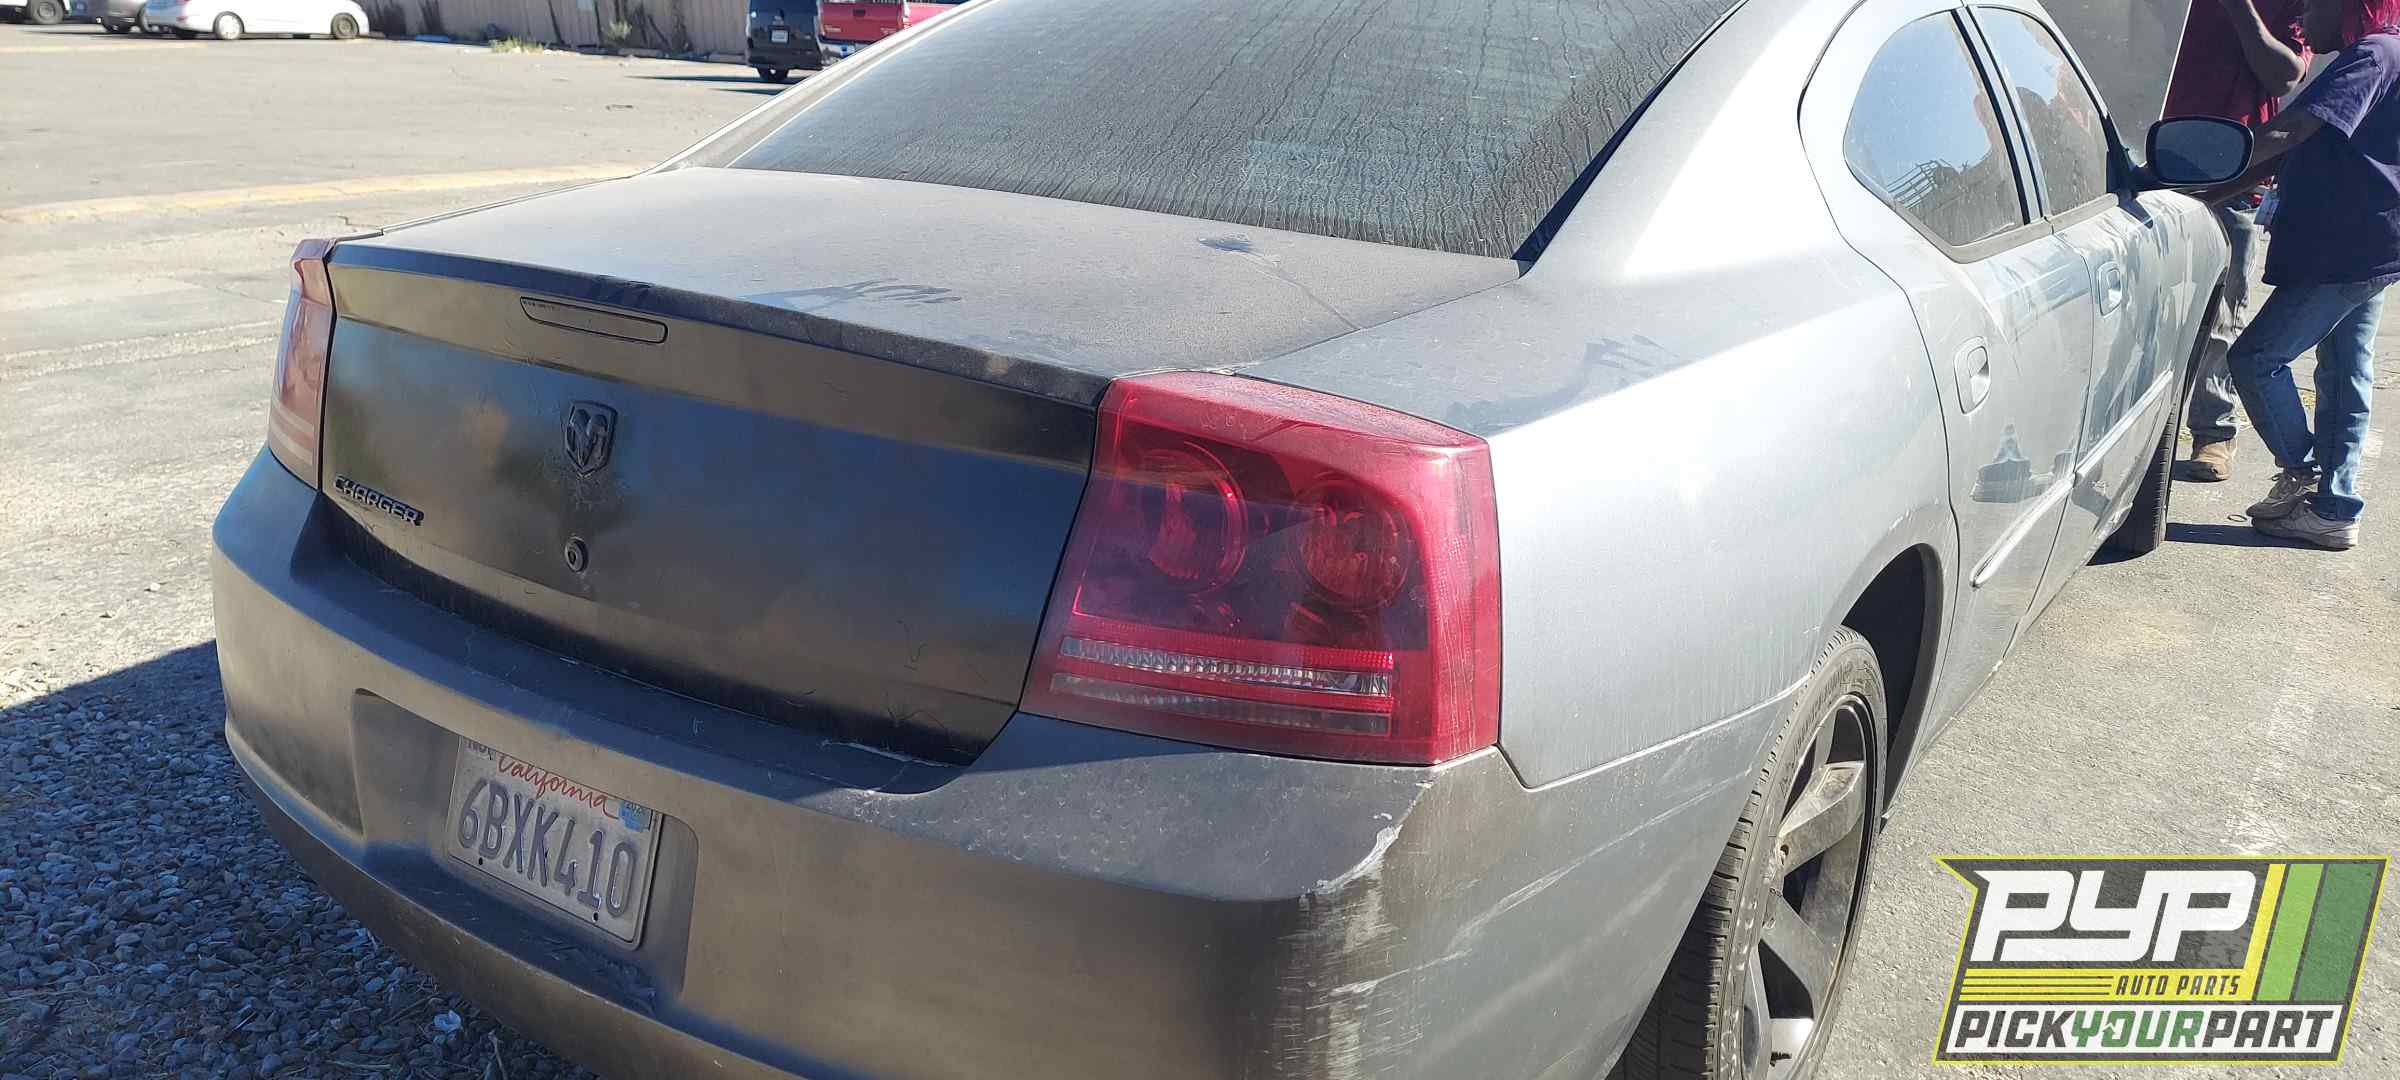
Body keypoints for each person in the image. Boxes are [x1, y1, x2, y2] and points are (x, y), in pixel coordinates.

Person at [2204, 0, 2400, 550]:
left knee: (2256, 358)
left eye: (2310, 4)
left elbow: (2287, 133)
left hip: (2345, 250)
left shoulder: (2372, 54)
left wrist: (2201, 172)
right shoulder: (2382, 51)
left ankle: (2305, 474)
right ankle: (2333, 509)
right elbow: (2292, 149)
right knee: (2343, 372)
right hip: (2366, 245)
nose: (2300, 18)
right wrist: (2206, 193)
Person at [2164, 0, 2311, 481]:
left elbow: (2285, 77)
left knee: (2221, 315)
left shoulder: (2288, 6)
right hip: (2147, 160)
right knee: (2134, 307)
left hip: (2233, 176)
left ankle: (2214, 431)